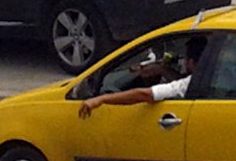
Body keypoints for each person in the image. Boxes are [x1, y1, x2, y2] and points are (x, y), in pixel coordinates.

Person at [78, 34, 206, 118]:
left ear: (191, 63)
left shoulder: (190, 83)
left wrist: (102, 99)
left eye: (185, 59)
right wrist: (162, 70)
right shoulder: (214, 76)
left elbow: (146, 94)